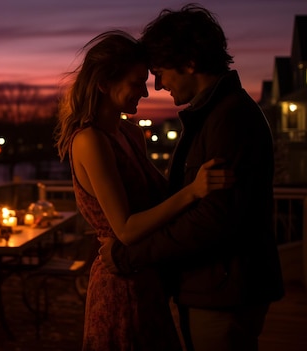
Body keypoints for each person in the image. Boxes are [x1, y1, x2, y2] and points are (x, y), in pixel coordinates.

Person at [99, 4, 285, 351]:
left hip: (223, 288)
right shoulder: (217, 113)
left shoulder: (228, 119)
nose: (158, 84)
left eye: (161, 71)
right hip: (216, 284)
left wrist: (129, 256)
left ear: (189, 63)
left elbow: (213, 218)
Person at [54, 29, 233, 351]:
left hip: (147, 275)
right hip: (119, 281)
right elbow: (125, 229)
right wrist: (193, 191)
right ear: (104, 83)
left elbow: (162, 197)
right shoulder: (90, 140)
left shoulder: (129, 132)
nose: (146, 94)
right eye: (136, 83)